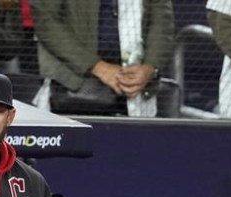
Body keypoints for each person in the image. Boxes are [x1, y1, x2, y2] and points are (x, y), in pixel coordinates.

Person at [31, 0, 175, 117]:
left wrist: (150, 67)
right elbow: (44, 19)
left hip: (137, 92)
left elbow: (162, 20)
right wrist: (97, 66)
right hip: (74, 89)